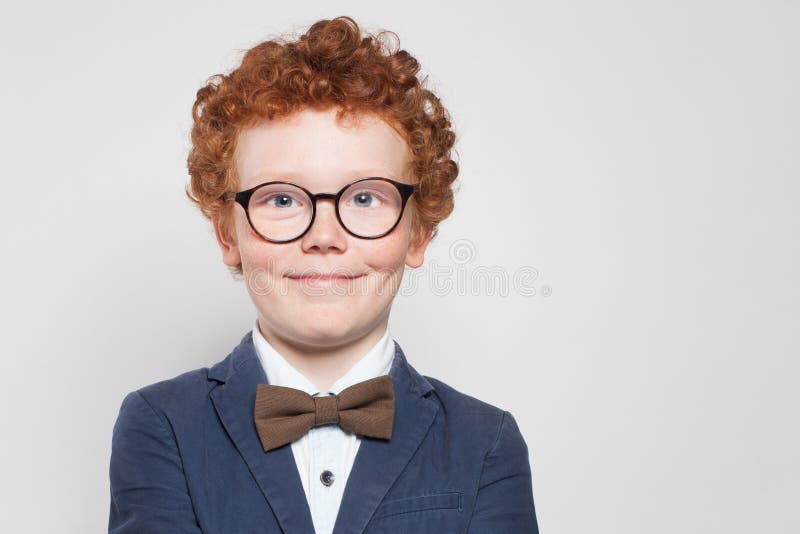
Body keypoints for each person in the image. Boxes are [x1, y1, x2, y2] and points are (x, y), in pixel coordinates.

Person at [108, 15, 539, 533]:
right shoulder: (162, 427)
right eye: (283, 198)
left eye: (364, 197)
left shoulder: (486, 441)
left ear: (418, 232)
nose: (325, 235)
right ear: (228, 235)